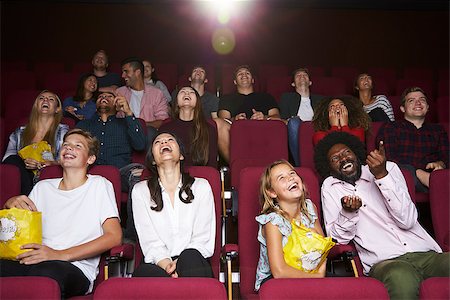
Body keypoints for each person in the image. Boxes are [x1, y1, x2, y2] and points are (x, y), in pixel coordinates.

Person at [314, 131, 448, 300]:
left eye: (346, 152)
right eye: (335, 158)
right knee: (401, 275)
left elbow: (407, 221)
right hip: (385, 262)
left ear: (356, 153)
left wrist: (381, 176)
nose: (343, 159)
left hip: (426, 253)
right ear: (329, 167)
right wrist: (348, 213)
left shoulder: (389, 168)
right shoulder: (331, 186)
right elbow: (337, 239)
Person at [1, 128, 122, 298]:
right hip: (34, 259)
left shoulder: (99, 185)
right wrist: (9, 205)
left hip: (75, 267)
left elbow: (114, 236)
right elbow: (18, 230)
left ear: (90, 158)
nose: (69, 148)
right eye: (66, 144)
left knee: (46, 272)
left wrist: (58, 255)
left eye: (78, 146)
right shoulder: (43, 187)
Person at [132, 132, 216, 278]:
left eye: (170, 140)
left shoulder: (201, 186)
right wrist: (168, 266)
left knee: (190, 258)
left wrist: (180, 264)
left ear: (181, 155)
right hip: (160, 264)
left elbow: (202, 237)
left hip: (193, 261)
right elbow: (149, 240)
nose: (164, 142)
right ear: (153, 160)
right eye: (158, 142)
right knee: (143, 273)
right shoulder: (140, 191)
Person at [76, 91, 147, 242]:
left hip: (120, 171)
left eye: (109, 96)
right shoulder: (84, 125)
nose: (104, 98)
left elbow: (140, 145)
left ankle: (132, 237)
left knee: (139, 173)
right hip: (89, 171)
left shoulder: (126, 123)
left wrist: (128, 112)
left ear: (117, 103)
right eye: (101, 97)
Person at [255, 160, 326, 291]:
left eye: (292, 173)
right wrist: (317, 278)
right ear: (272, 192)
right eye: (281, 178)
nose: (290, 178)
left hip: (311, 273)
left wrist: (320, 275)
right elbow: (279, 271)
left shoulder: (310, 208)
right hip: (276, 280)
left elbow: (322, 250)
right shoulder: (273, 221)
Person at [376, 86, 448, 191]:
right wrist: (417, 173)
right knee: (393, 168)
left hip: (433, 175)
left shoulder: (438, 130)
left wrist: (440, 164)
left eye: (422, 100)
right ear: (403, 108)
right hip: (402, 180)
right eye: (411, 100)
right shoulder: (391, 127)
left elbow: (447, 156)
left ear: (427, 107)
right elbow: (389, 159)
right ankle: (433, 184)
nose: (418, 103)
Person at [2, 90, 69, 195]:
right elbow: (8, 158)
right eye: (41, 98)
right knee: (14, 160)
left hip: (49, 179)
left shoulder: (63, 132)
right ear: (36, 106)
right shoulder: (20, 132)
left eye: (51, 99)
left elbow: (69, 160)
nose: (45, 100)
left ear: (57, 108)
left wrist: (51, 163)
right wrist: (24, 163)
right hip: (23, 177)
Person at [177, 65, 230, 162]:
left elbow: (215, 120)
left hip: (205, 129)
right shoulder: (179, 95)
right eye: (195, 70)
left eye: (201, 71)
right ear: (189, 78)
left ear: (206, 80)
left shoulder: (212, 98)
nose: (198, 72)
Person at [160, 86, 218, 168]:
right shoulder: (165, 129)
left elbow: (212, 165)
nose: (187, 93)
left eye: (191, 92)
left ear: (198, 101)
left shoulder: (209, 129)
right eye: (182, 91)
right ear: (176, 101)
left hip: (201, 177)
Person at [116, 57, 169, 144]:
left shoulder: (157, 93)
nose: (123, 75)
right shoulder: (119, 92)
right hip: (123, 136)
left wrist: (137, 124)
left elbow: (162, 121)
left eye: (126, 71)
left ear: (137, 72)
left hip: (147, 136)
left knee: (150, 132)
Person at [279, 68, 324, 166]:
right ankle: (300, 165)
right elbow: (283, 119)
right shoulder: (286, 98)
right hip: (296, 131)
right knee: (294, 121)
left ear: (310, 82)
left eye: (305, 75)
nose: (302, 77)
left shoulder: (320, 99)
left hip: (316, 129)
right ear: (293, 84)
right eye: (298, 76)